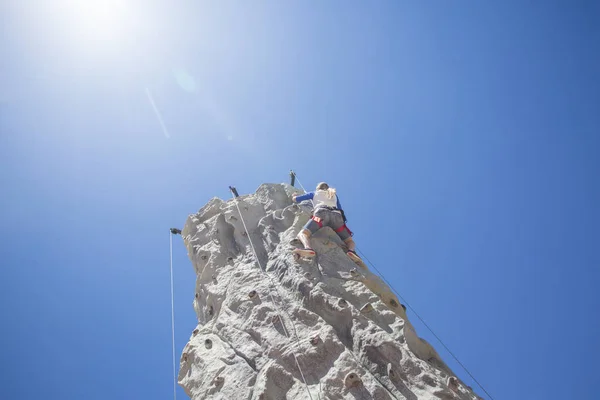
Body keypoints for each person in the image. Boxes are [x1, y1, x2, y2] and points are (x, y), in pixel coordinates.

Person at [292, 182, 362, 263]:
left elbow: (296, 199)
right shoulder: (334, 195)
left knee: (303, 233)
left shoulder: (315, 193)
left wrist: (294, 196)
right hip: (337, 218)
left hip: (321, 216)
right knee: (350, 241)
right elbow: (340, 208)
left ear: (318, 188)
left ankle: (308, 248)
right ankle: (351, 251)